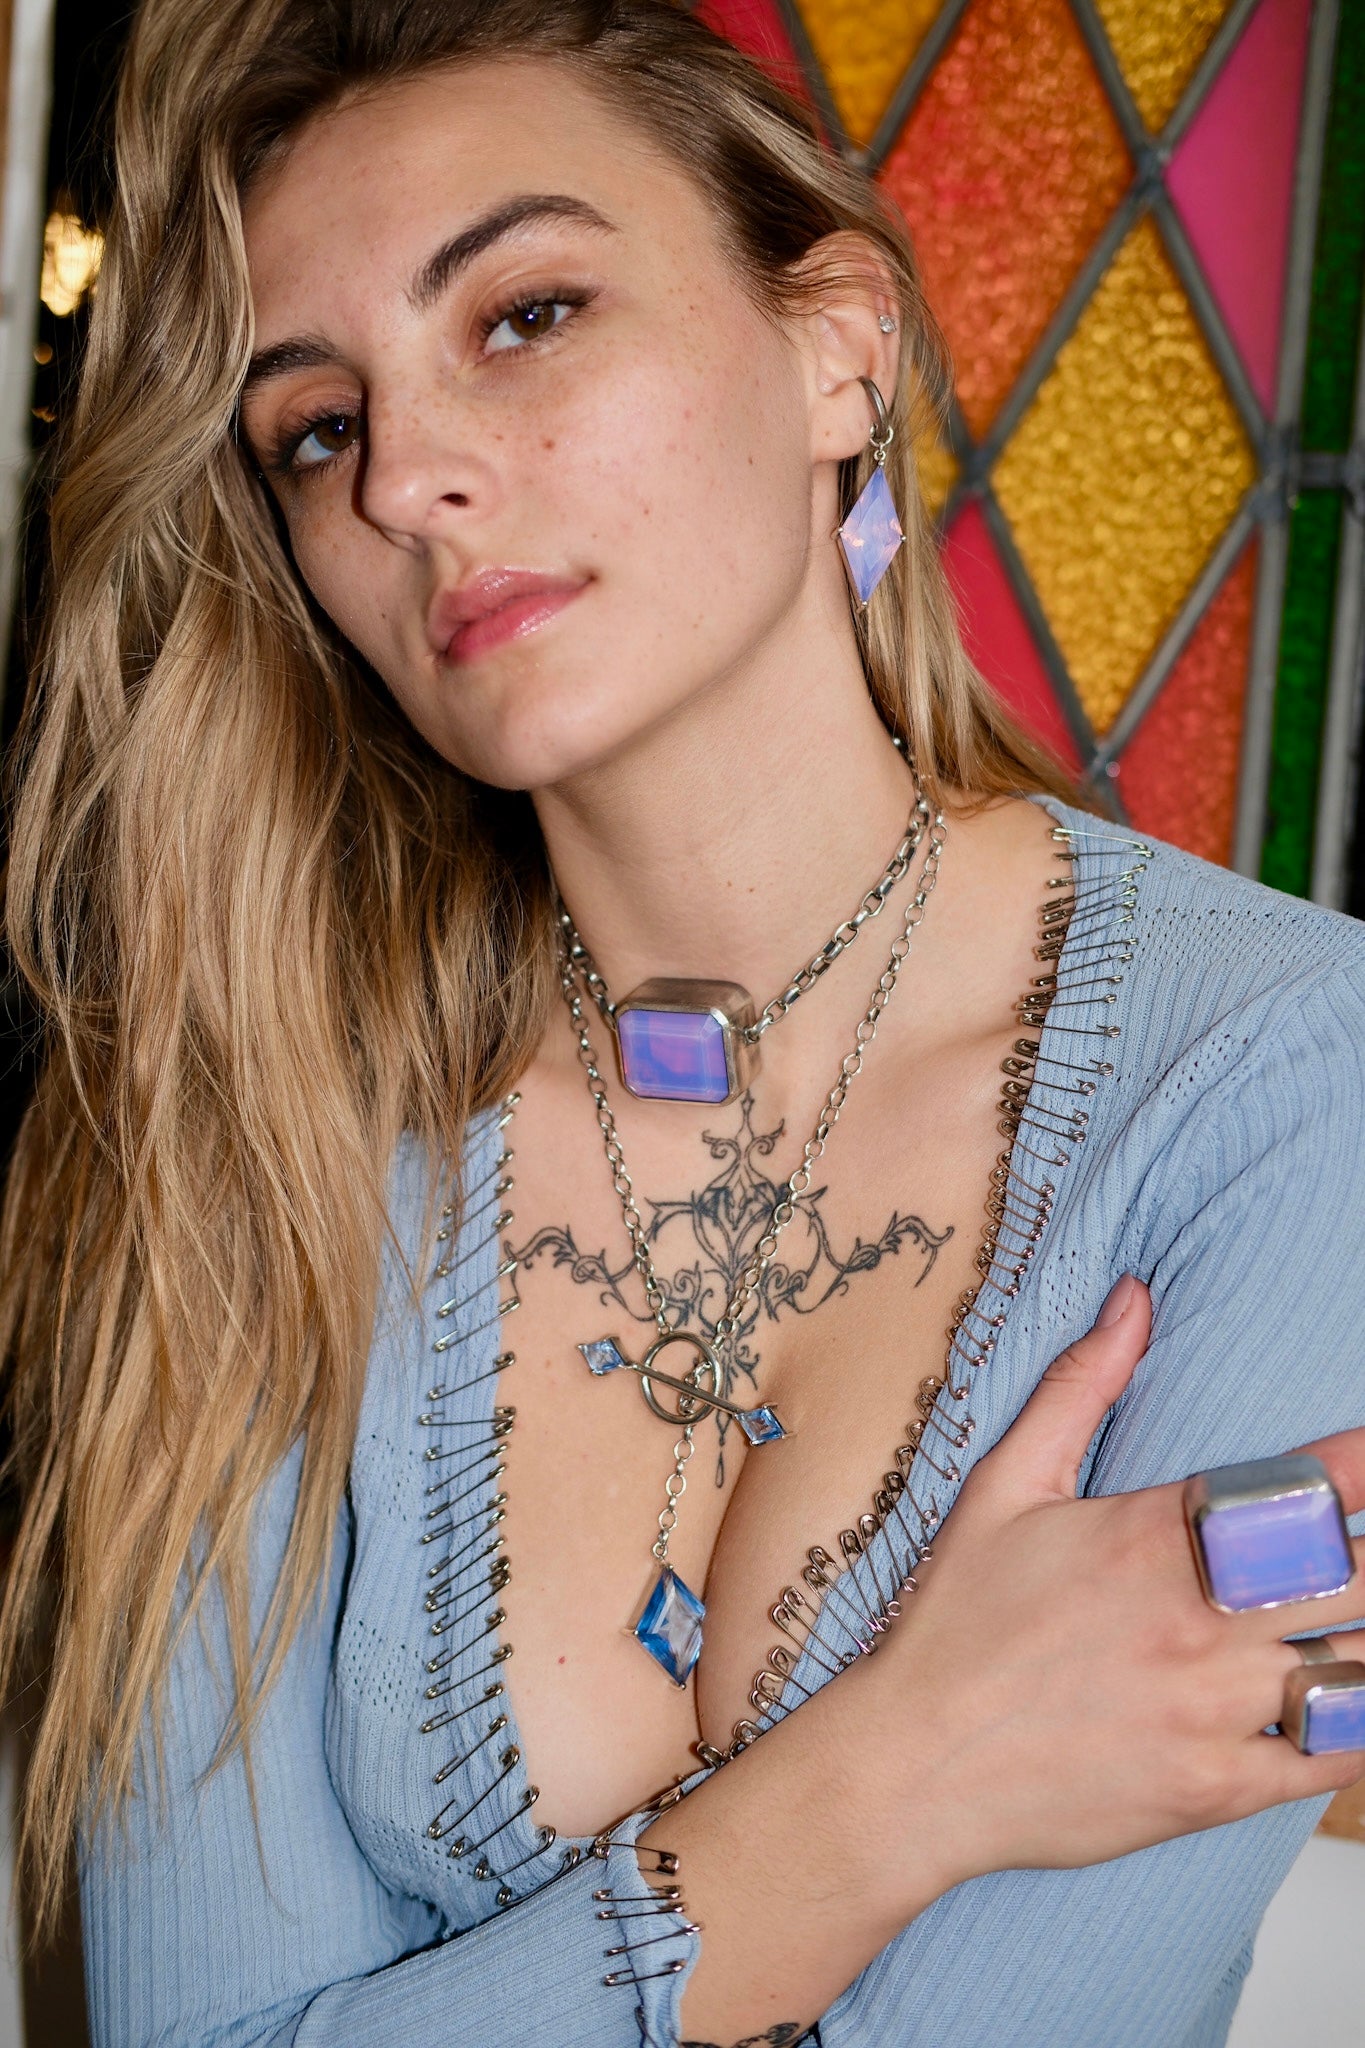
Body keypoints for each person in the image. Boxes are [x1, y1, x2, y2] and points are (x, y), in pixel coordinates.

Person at [1, 2, 1363, 2043]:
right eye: (313, 426)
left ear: (835, 348)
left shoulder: (1281, 1083)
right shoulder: (248, 1142)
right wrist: (907, 1778)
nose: (413, 477)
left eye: (525, 312)